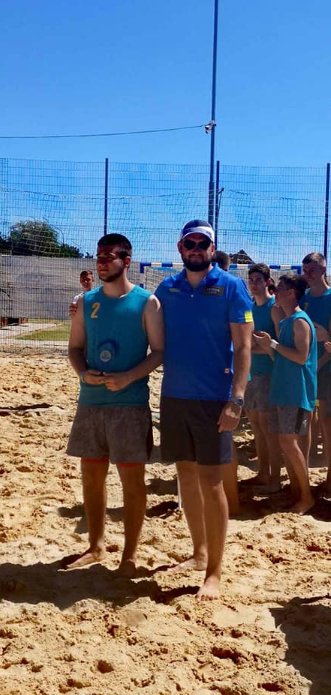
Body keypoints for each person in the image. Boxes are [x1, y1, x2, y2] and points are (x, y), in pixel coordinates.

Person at [154, 219, 253, 600]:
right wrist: (82, 304)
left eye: (202, 244)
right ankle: (198, 553)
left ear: (212, 249)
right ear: (180, 248)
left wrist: (237, 399)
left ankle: (214, 572)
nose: (196, 249)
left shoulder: (231, 287)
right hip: (175, 396)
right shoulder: (167, 288)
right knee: (185, 475)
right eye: (189, 243)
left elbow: (243, 348)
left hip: (215, 398)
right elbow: (139, 319)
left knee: (212, 482)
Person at [65, 233, 163, 576]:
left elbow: (159, 352)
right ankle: (96, 546)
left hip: (129, 404)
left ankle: (129, 556)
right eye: (99, 256)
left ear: (127, 260)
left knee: (132, 483)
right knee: (92, 478)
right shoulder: (86, 301)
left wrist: (129, 377)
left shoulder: (147, 303)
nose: (102, 262)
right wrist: (83, 373)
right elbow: (74, 349)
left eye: (109, 256)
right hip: (91, 401)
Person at [254, 274, 317, 514]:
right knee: (286, 443)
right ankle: (296, 493)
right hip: (284, 390)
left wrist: (273, 344)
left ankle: (307, 497)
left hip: (297, 392)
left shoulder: (300, 321)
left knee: (291, 443)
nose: (275, 291)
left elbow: (300, 357)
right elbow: (281, 357)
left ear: (291, 293)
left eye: (279, 288)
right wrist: (269, 346)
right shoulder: (287, 322)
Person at [244, 264, 284, 493]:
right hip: (251, 373)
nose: (254, 284)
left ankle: (275, 479)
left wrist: (253, 347)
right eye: (251, 280)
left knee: (269, 429)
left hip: (269, 373)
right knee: (256, 427)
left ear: (268, 281)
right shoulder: (249, 308)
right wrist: (251, 347)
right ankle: (263, 473)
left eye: (258, 280)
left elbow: (277, 345)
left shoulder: (274, 308)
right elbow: (247, 340)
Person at [301, 252, 331, 500]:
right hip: (307, 370)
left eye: (312, 270)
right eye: (305, 270)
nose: (308, 274)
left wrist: (327, 339)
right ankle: (304, 479)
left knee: (327, 424)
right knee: (307, 422)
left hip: (326, 369)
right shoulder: (304, 298)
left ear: (323, 269)